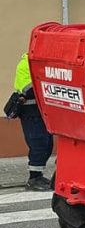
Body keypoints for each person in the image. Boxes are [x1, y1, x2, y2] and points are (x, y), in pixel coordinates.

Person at [11, 53, 53, 190]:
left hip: (42, 111)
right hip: (30, 111)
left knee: (47, 144)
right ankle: (33, 179)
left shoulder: (42, 61)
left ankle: (38, 175)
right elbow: (27, 89)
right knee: (38, 143)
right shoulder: (26, 63)